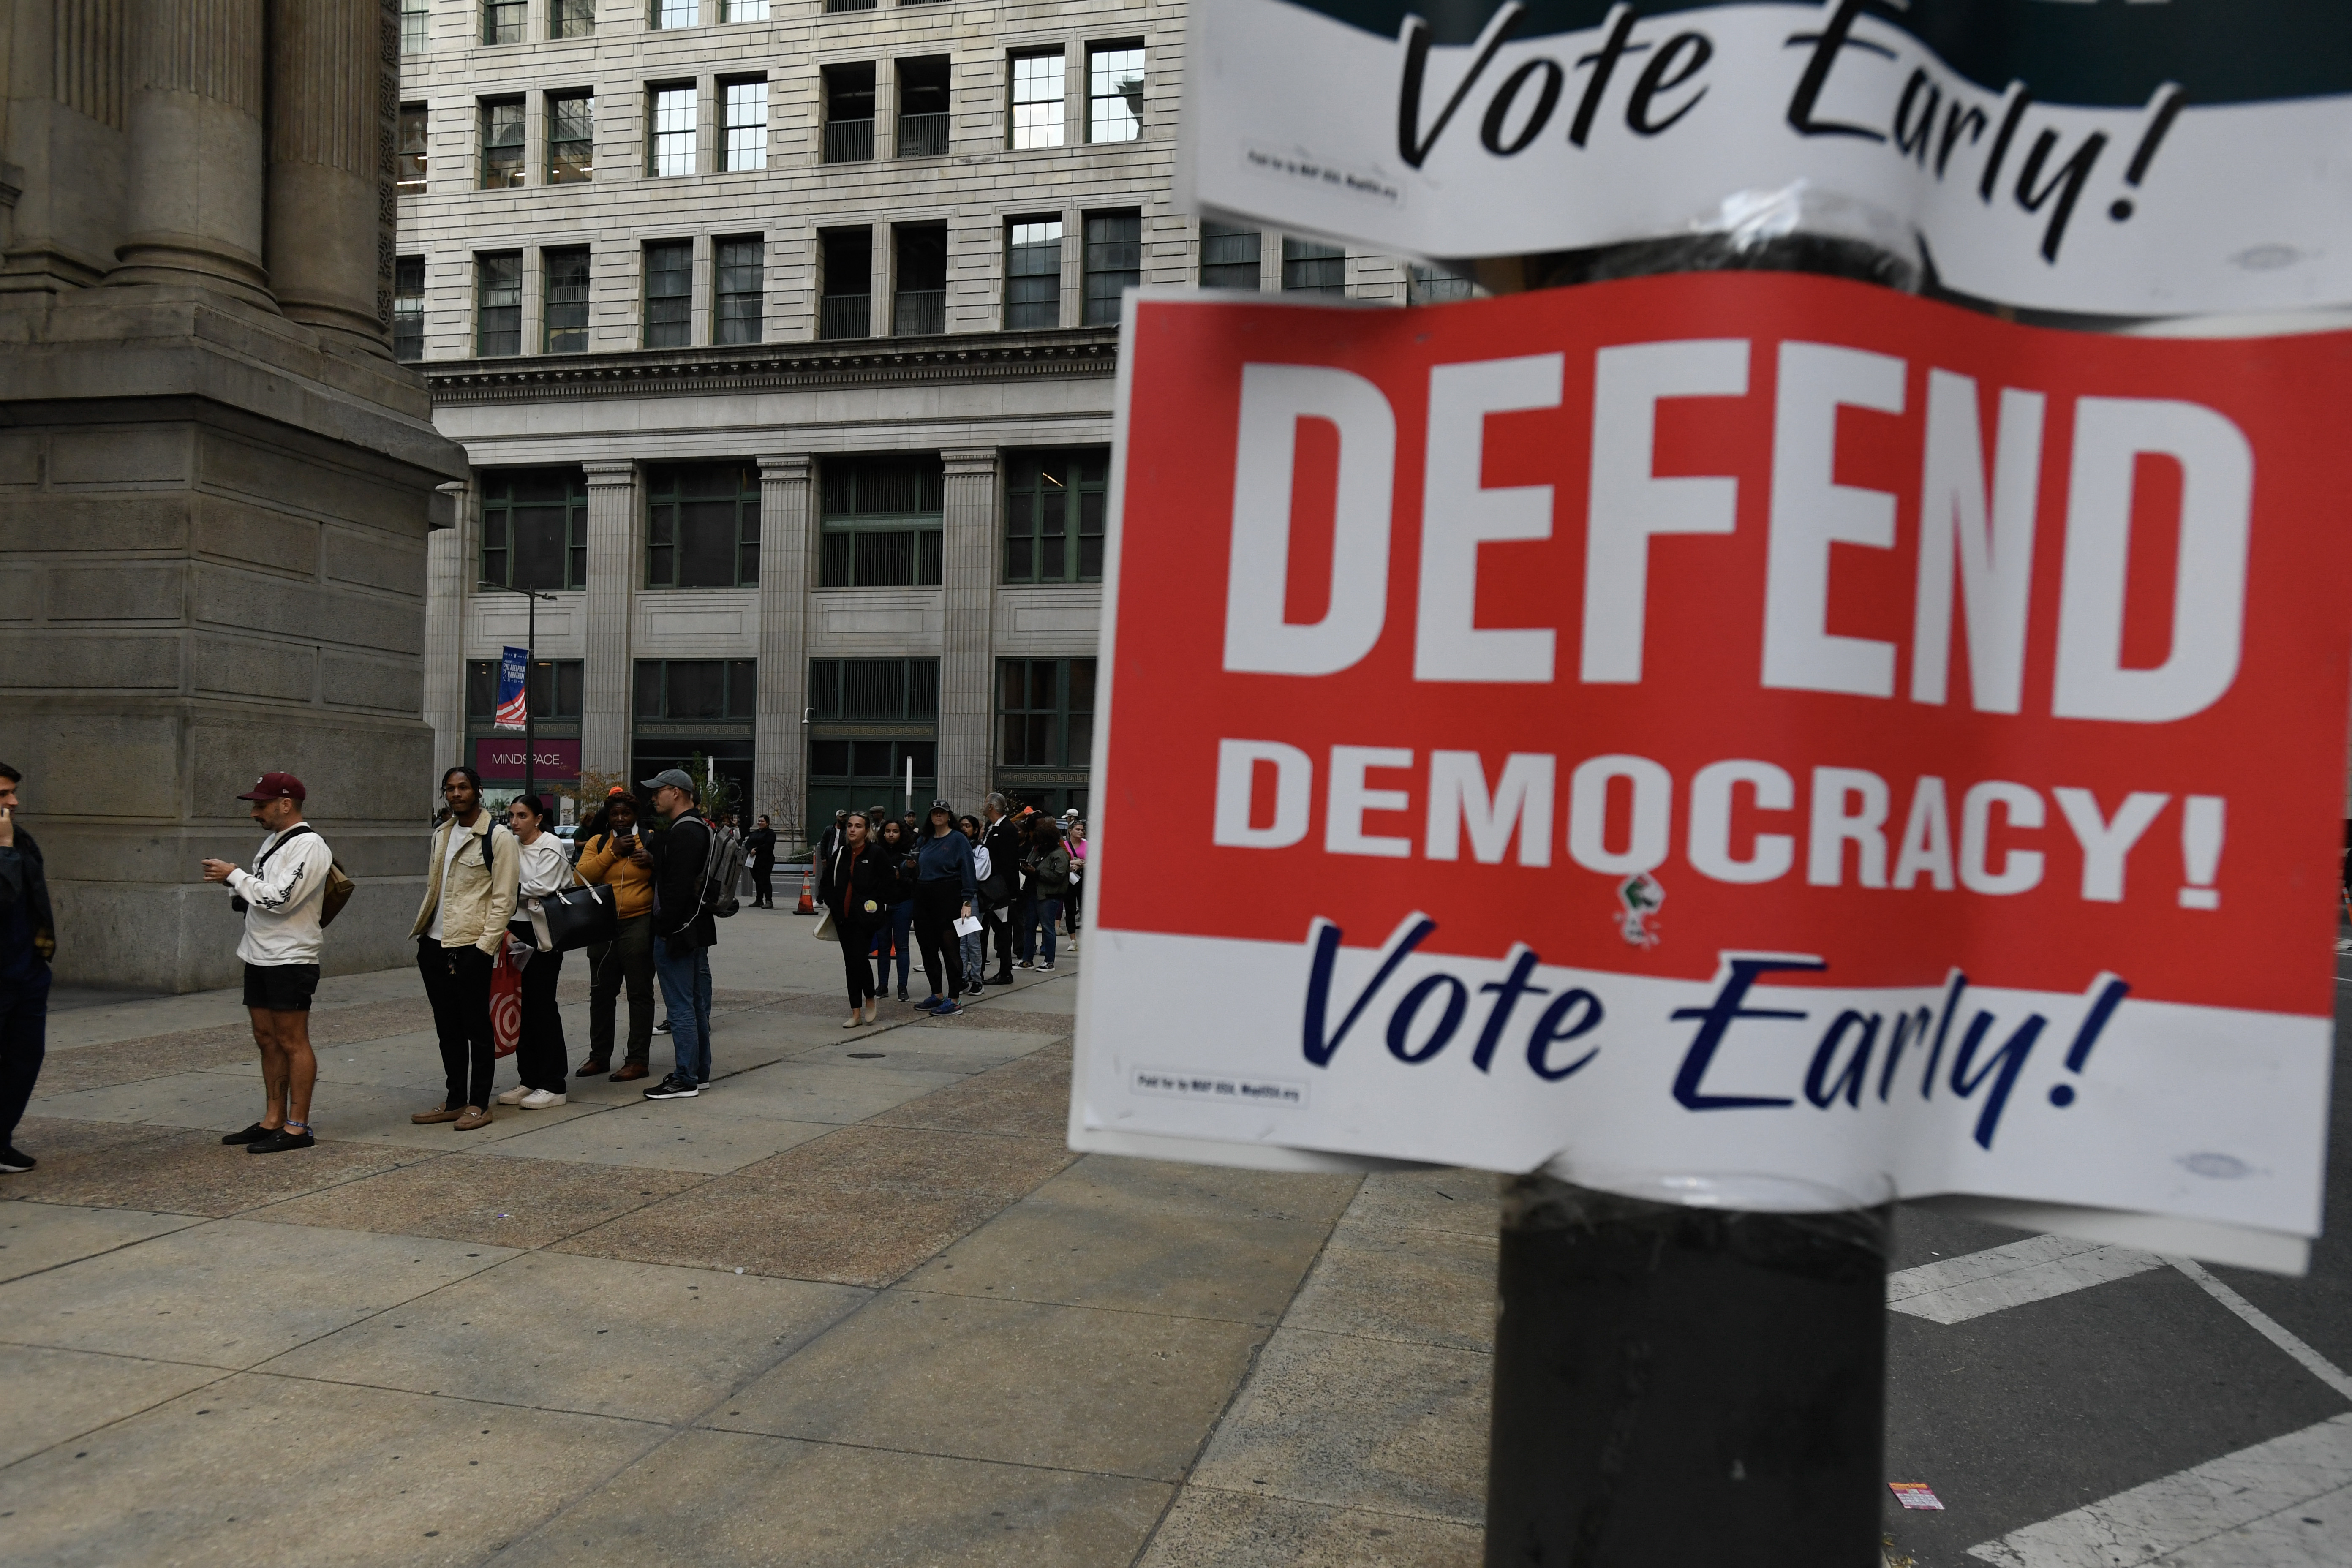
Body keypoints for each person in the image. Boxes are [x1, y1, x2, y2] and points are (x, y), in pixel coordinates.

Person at [203, 772, 335, 1154]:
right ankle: (272, 1119)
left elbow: (281, 899)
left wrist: (236, 875)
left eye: (261, 805)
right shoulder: (274, 841)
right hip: (259, 953)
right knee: (266, 1038)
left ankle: (298, 1127)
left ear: (286, 804)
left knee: (293, 1040)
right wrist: (235, 883)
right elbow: (262, 893)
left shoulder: (310, 846)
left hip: (291, 957)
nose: (254, 813)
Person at [409, 765, 519, 1131]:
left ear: (478, 791)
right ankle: (455, 1099)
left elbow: (505, 900)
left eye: (463, 788)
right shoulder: (441, 834)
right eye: (450, 789)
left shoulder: (498, 837)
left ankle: (479, 1103)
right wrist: (426, 937)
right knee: (447, 1027)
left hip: (471, 945)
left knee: (477, 1027)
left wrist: (485, 948)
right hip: (434, 943)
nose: (456, 794)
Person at [495, 794, 577, 1110]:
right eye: (512, 816)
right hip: (515, 929)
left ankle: (554, 1083)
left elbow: (541, 886)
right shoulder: (511, 845)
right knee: (521, 1005)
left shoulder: (551, 845)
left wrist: (507, 890)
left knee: (542, 1005)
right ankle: (529, 1078)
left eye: (522, 816)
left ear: (538, 818)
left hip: (543, 932)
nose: (515, 822)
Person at [642, 768, 716, 1100]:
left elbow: (677, 887)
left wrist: (663, 928)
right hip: (692, 928)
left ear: (676, 793)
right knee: (695, 1004)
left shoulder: (685, 832)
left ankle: (686, 1077)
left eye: (659, 791)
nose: (654, 796)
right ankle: (698, 1073)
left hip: (678, 931)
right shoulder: (695, 828)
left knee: (681, 1007)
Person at [574, 787, 657, 1082]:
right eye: (614, 814)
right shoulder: (598, 843)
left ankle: (637, 1060)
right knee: (601, 993)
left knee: (639, 992)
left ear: (635, 815)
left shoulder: (649, 839)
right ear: (607, 818)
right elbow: (581, 877)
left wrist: (653, 861)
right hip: (602, 926)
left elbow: (668, 874)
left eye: (626, 813)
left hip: (639, 923)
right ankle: (599, 1057)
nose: (621, 819)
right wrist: (612, 853)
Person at [0, 762, 55, 1175]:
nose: (14, 801)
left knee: (24, 1058)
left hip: (26, 970)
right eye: (3, 794)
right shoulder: (9, 842)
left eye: (13, 792)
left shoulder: (21, 839)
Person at [822, 811, 897, 1026]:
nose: (853, 830)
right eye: (850, 826)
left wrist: (875, 903)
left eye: (858, 826)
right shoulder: (841, 854)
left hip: (864, 919)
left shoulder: (876, 854)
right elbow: (828, 882)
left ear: (867, 831)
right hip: (843, 918)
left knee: (859, 959)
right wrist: (831, 902)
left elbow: (889, 883)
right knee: (851, 963)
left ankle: (870, 999)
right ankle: (855, 1012)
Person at [910, 799, 975, 1015]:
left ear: (949, 816)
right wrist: (907, 864)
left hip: (948, 895)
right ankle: (937, 994)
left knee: (950, 949)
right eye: (935, 813)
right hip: (924, 894)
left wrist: (967, 901)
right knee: (927, 948)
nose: (938, 816)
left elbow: (968, 870)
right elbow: (913, 862)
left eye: (943, 813)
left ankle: (954, 998)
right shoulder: (925, 839)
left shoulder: (958, 839)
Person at [866, 818, 916, 1002]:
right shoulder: (876, 852)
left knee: (902, 946)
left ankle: (902, 987)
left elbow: (915, 882)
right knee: (883, 947)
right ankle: (883, 986)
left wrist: (899, 876)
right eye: (888, 831)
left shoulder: (908, 854)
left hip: (903, 902)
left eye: (895, 831)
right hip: (882, 905)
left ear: (901, 833)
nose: (891, 834)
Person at [978, 793, 1022, 986]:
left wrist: (1009, 894)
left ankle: (1006, 972)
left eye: (986, 803)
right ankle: (979, 970)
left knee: (1003, 931)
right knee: (986, 930)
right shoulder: (991, 828)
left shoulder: (1007, 830)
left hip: (1000, 891)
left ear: (991, 807)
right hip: (988, 889)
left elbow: (1009, 864)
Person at [1024, 819, 1073, 972]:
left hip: (1049, 896)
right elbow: (1030, 862)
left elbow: (1058, 876)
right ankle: (1027, 960)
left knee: (1048, 928)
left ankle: (1049, 961)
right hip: (1033, 893)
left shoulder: (1060, 854)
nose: (1039, 843)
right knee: (1029, 927)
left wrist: (1036, 872)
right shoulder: (1038, 850)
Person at [957, 815, 990, 996]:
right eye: (962, 826)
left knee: (973, 940)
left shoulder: (982, 851)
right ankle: (962, 978)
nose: (964, 829)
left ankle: (977, 979)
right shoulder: (957, 848)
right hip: (959, 896)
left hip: (973, 897)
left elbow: (977, 874)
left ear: (976, 830)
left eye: (968, 826)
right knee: (961, 941)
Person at [745, 814, 779, 909]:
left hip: (766, 860)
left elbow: (769, 845)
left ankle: (769, 901)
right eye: (759, 821)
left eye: (762, 821)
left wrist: (757, 850)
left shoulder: (770, 833)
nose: (760, 823)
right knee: (758, 880)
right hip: (754, 860)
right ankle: (759, 900)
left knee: (765, 880)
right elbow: (748, 844)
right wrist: (750, 850)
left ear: (767, 823)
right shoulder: (754, 833)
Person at [1064, 817, 1087, 943]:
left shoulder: (1088, 845)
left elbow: (1094, 862)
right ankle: (1073, 940)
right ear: (1070, 831)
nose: (1081, 832)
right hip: (1069, 880)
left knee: (1085, 908)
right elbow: (1061, 862)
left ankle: (1086, 939)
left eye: (1082, 830)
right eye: (1078, 829)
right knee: (1070, 910)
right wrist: (1073, 862)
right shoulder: (1064, 845)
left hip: (1084, 879)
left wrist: (1081, 865)